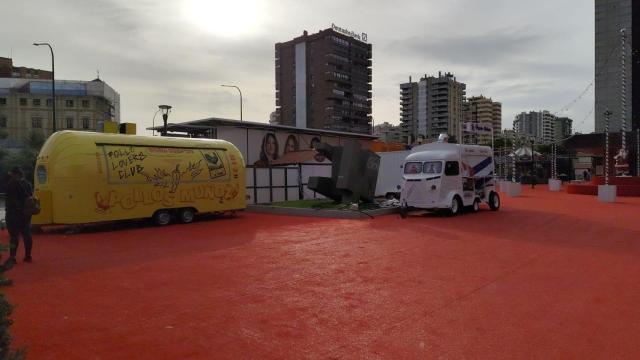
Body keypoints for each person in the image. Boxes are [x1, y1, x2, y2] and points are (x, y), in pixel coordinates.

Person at [4, 166, 33, 269]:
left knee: (14, 236)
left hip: (13, 214)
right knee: (27, 235)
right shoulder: (28, 184)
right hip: (26, 214)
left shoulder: (10, 185)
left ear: (16, 174)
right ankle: (28, 256)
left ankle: (12, 257)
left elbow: (10, 200)